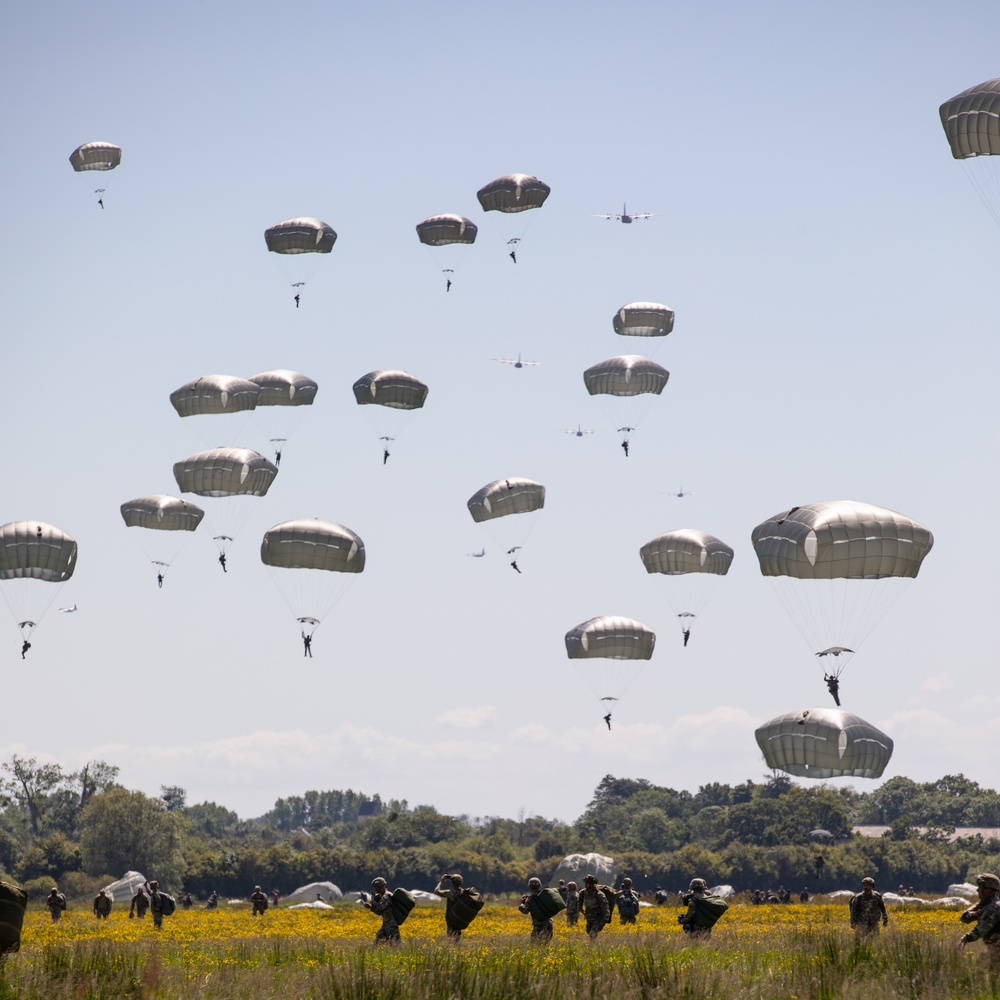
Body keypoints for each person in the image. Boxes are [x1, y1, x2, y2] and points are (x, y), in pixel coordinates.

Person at [959, 872, 1000, 963]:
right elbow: (964, 918)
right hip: (994, 948)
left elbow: (983, 928)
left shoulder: (994, 906)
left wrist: (966, 938)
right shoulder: (984, 904)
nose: (978, 890)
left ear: (989, 889)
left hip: (997, 948)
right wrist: (974, 913)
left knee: (984, 970)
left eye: (982, 887)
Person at [363, 877, 400, 945]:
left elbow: (379, 908)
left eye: (376, 887)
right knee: (376, 944)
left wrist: (373, 900)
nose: (375, 889)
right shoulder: (382, 897)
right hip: (385, 925)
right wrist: (371, 907)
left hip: (392, 926)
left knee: (394, 948)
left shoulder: (387, 896)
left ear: (381, 886)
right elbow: (380, 912)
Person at [518, 877, 553, 942]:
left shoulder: (530, 899)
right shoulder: (545, 895)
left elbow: (525, 911)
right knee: (546, 946)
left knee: (535, 946)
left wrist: (522, 903)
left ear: (530, 886)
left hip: (539, 925)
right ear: (539, 885)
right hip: (549, 924)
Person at [433, 873, 464, 942]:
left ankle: (452, 951)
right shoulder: (463, 892)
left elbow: (436, 891)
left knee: (450, 938)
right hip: (459, 919)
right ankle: (456, 950)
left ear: (453, 882)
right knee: (457, 938)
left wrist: (441, 882)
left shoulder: (450, 893)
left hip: (451, 919)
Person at [580, 874, 610, 940]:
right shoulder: (583, 893)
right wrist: (581, 910)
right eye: (585, 883)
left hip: (598, 918)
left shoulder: (599, 895)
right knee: (589, 932)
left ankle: (593, 947)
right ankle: (594, 946)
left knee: (592, 933)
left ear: (591, 884)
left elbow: (605, 908)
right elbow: (579, 903)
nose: (585, 885)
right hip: (589, 917)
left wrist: (605, 920)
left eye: (587, 883)